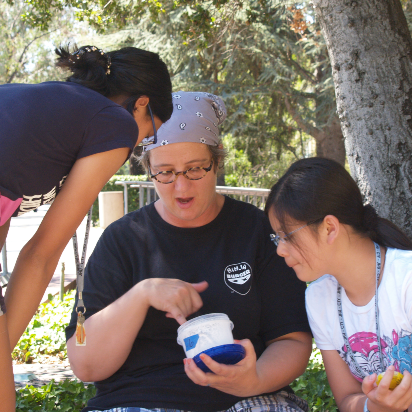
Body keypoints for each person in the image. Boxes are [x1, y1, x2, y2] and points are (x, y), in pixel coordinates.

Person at [65, 91, 312, 412]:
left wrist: (255, 380)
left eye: (195, 168)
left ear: (217, 161)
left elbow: (292, 340)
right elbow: (85, 364)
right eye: (165, 172)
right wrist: (141, 296)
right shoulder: (121, 240)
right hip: (137, 400)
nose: (181, 187)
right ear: (147, 167)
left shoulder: (255, 230)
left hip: (249, 398)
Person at [0, 44, 173, 411]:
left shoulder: (35, 109)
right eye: (152, 131)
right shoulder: (116, 122)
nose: (141, 141)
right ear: (141, 104)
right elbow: (41, 254)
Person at [265, 157, 412, 412]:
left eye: (286, 236)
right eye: (276, 238)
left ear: (330, 228)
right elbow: (347, 399)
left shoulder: (406, 279)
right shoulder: (319, 298)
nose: (280, 250)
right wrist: (376, 406)